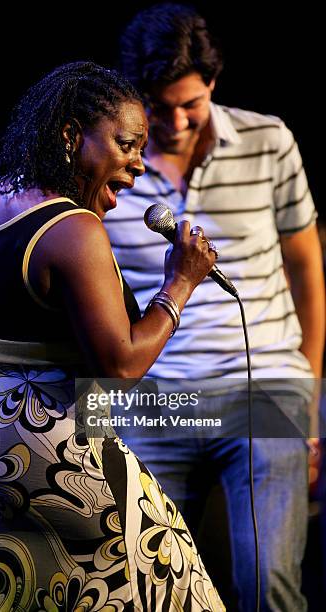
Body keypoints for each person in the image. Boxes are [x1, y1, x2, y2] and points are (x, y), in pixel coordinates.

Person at [0, 62, 225, 611]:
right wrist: (180, 284)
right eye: (126, 144)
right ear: (70, 136)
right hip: (51, 457)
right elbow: (122, 363)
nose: (137, 166)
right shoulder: (72, 229)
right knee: (167, 581)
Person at [104, 4, 325, 611]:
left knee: (267, 585)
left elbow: (307, 267)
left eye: (190, 104)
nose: (174, 121)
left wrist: (310, 394)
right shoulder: (109, 163)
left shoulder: (269, 140)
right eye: (157, 105)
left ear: (212, 87)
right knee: (140, 591)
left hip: (266, 386)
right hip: (153, 400)